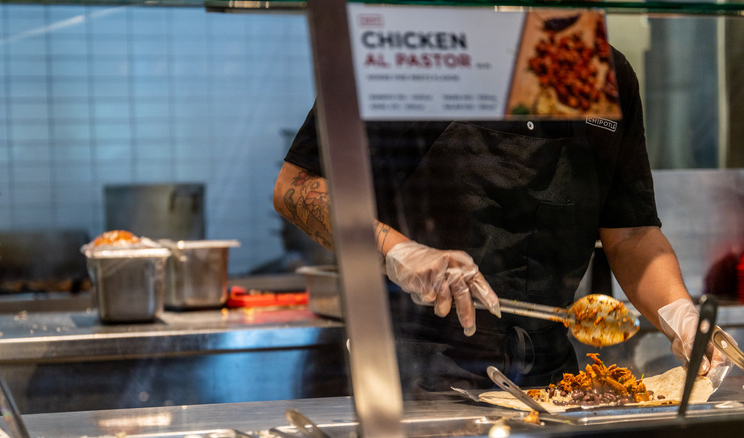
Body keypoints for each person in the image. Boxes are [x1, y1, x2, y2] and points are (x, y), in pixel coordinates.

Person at [273, 44, 732, 398]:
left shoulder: (603, 72)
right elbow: (297, 186)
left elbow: (631, 233)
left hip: (553, 383)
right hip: (415, 373)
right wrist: (395, 249)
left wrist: (680, 313)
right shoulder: (411, 55)